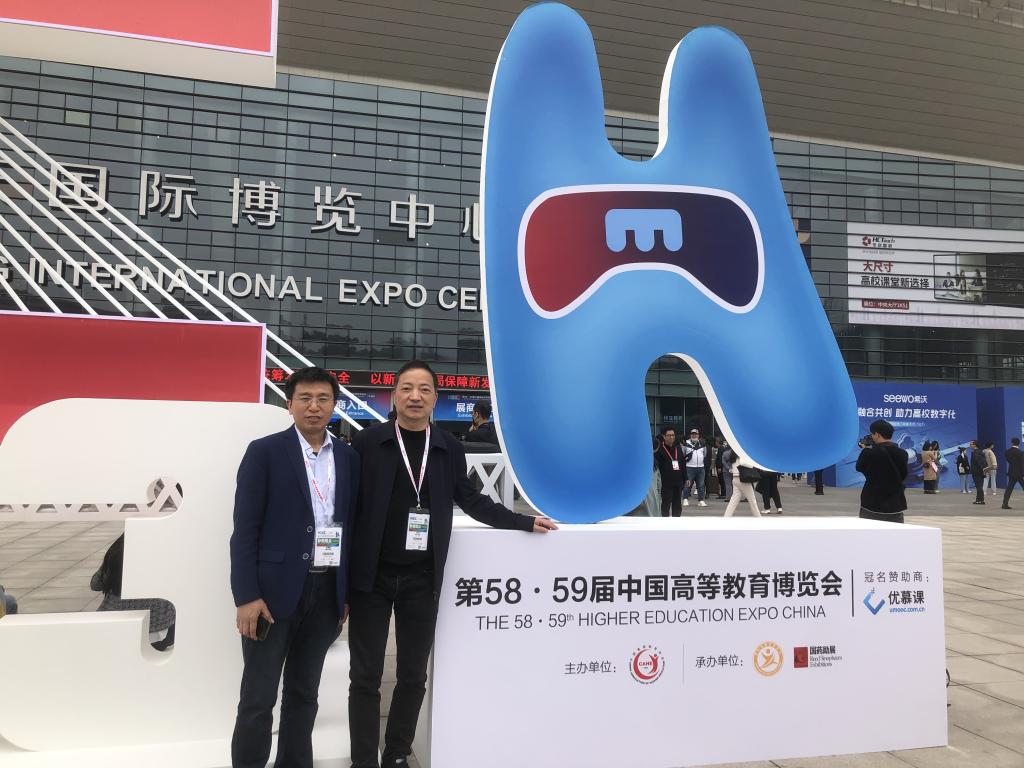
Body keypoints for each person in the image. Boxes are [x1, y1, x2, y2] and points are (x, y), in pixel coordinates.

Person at [347, 360, 557, 768]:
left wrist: (522, 521)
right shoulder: (368, 442)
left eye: (424, 389)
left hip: (421, 579)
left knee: (413, 676)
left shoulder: (447, 447)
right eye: (407, 388)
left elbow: (471, 500)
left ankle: (396, 754)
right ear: (394, 395)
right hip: (371, 578)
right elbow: (349, 506)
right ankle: (364, 760)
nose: (415, 396)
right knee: (365, 676)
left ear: (435, 399)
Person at [229, 367, 360, 768]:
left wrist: (345, 592)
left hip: (326, 593)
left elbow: (351, 527)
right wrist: (247, 596)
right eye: (305, 398)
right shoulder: (265, 452)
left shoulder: (349, 458)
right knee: (258, 697)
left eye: (323, 398)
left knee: (305, 694)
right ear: (289, 404)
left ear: (334, 405)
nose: (314, 406)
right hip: (272, 595)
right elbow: (245, 529)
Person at [90, 533, 176, 651]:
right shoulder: (169, 552)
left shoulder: (120, 550)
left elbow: (95, 585)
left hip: (114, 626)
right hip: (156, 632)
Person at [855, 419, 908, 523]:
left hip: (872, 503)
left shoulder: (869, 453)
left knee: (869, 532)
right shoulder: (903, 453)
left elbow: (859, 467)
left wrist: (865, 449)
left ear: (877, 435)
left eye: (872, 434)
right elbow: (903, 474)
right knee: (894, 533)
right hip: (895, 504)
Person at [653, 426, 685, 516]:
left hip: (678, 482)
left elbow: (682, 463)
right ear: (664, 436)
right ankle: (664, 523)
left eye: (673, 435)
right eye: (669, 435)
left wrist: (686, 478)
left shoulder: (678, 448)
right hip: (666, 483)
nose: (671, 437)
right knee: (665, 505)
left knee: (677, 506)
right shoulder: (660, 449)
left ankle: (676, 522)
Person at [723, 451, 762, 518]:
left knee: (733, 501)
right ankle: (758, 518)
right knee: (752, 500)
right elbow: (743, 463)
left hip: (735, 478)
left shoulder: (733, 455)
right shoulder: (741, 453)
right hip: (742, 479)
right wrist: (752, 464)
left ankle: (726, 517)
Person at [681, 428, 710, 507]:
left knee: (701, 485)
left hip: (700, 467)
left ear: (698, 435)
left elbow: (705, 454)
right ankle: (685, 499)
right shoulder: (686, 444)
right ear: (690, 435)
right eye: (693, 434)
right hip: (689, 467)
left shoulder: (702, 444)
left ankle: (701, 500)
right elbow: (683, 454)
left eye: (696, 434)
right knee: (688, 484)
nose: (694, 435)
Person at [1002, 437, 1024, 509]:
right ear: (1019, 443)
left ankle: (1004, 504)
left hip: (1011, 472)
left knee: (1009, 489)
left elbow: (1009, 461)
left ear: (1011, 443)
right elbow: (1022, 464)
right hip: (1020, 473)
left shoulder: (1007, 452)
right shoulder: (1021, 453)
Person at [970, 439, 987, 505]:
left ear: (975, 445)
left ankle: (980, 500)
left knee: (979, 486)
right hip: (979, 471)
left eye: (971, 444)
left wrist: (982, 469)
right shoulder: (980, 451)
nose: (970, 445)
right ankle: (979, 500)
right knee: (979, 486)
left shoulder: (976, 452)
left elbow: (979, 462)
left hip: (977, 472)